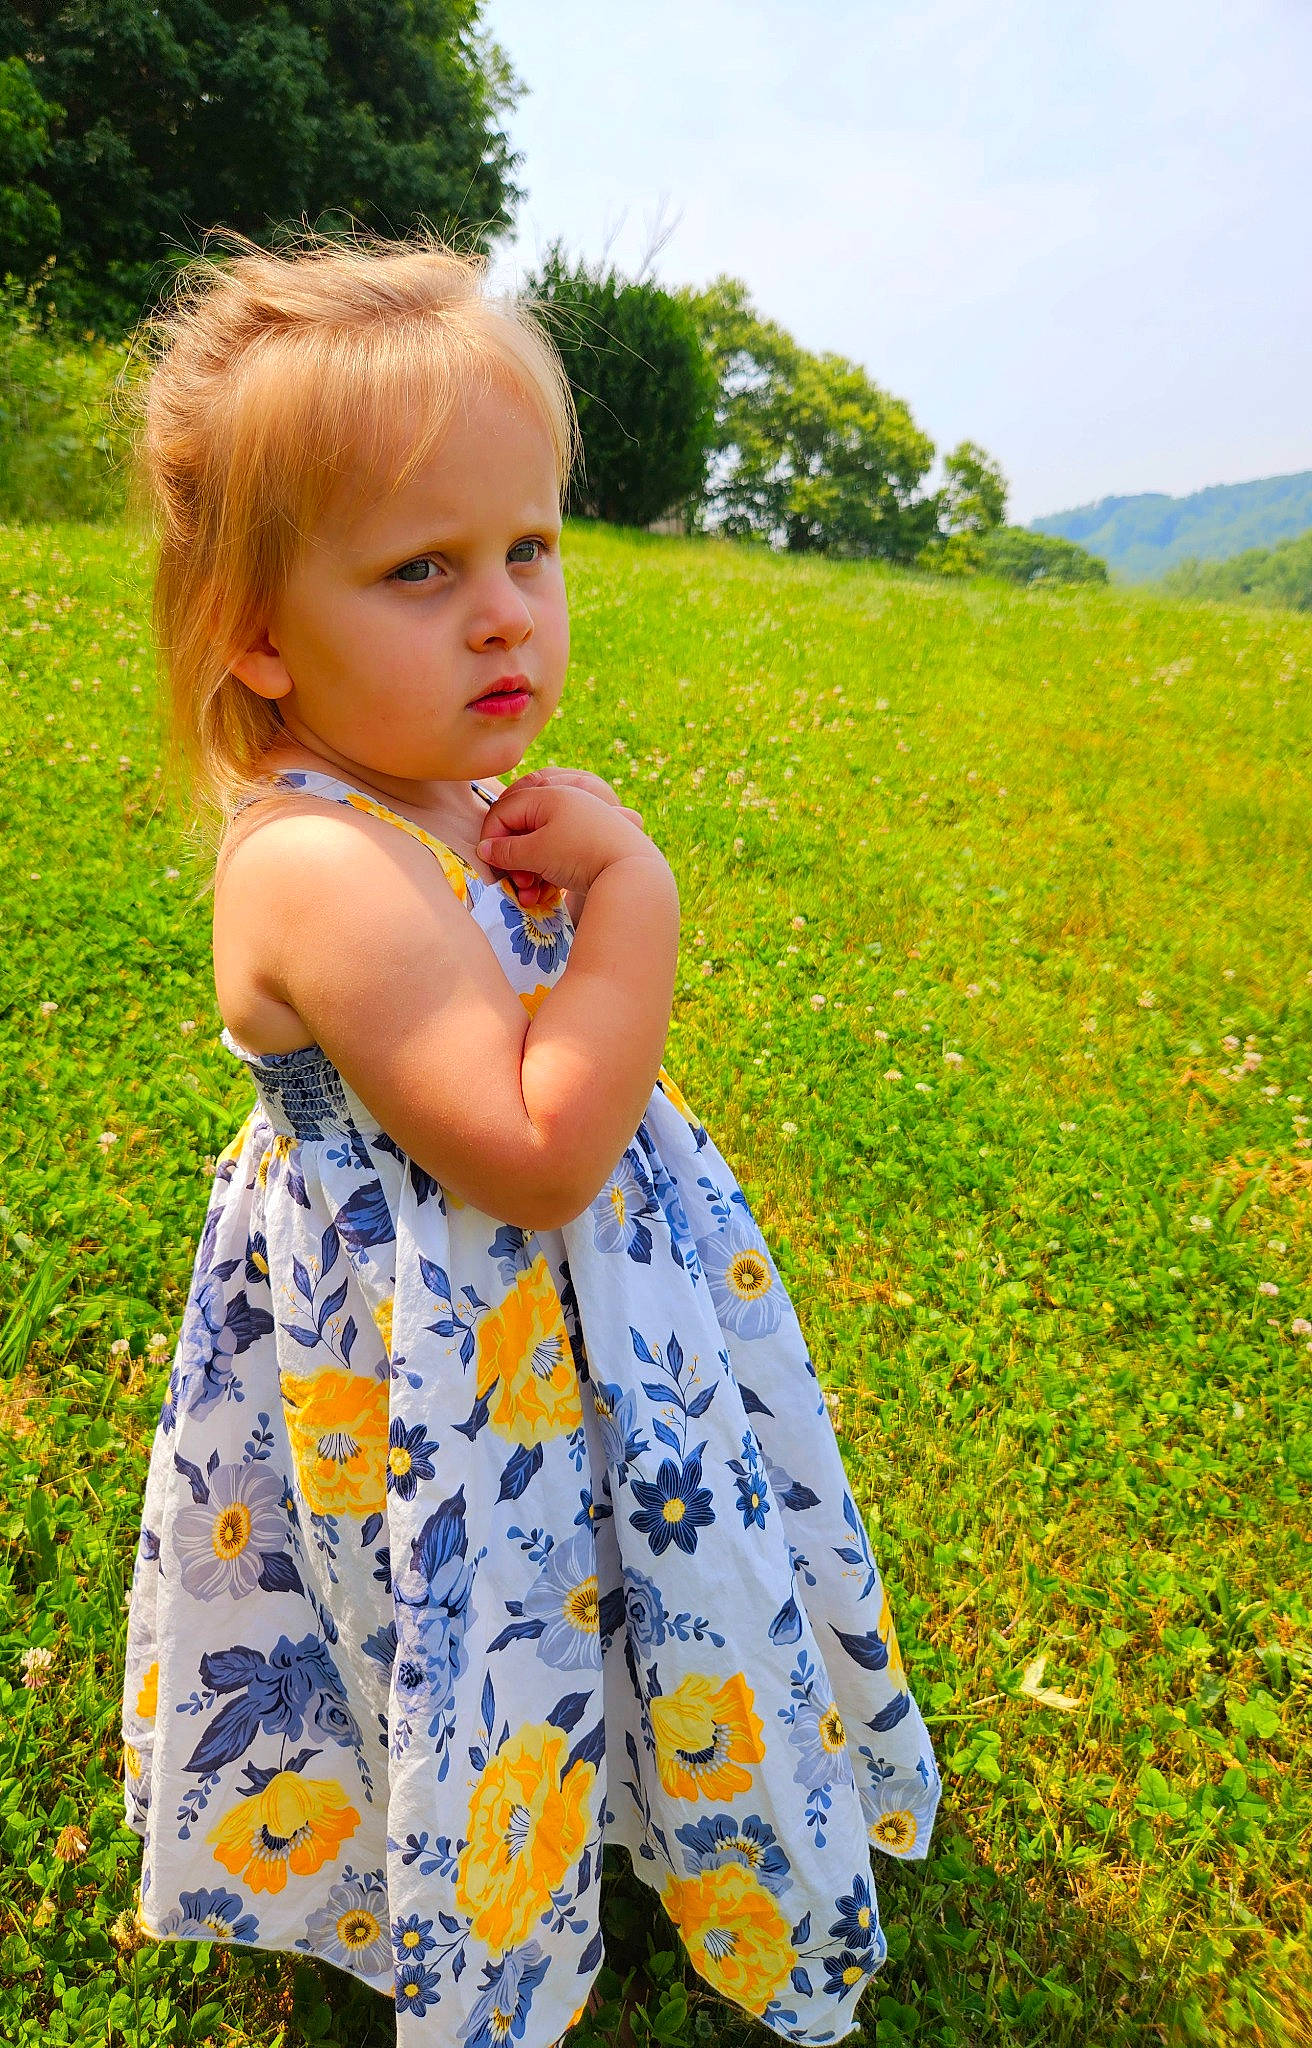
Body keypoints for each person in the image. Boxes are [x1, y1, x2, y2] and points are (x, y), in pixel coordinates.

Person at [117, 225, 942, 2048]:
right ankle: (477, 1869)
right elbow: (535, 1150)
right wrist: (633, 891)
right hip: (444, 1353)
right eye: (422, 568)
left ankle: (642, 1792)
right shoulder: (323, 862)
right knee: (476, 1613)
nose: (505, 611)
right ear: (255, 634)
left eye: (529, 549)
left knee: (620, 1569)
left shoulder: (449, 795)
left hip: (564, 1333)